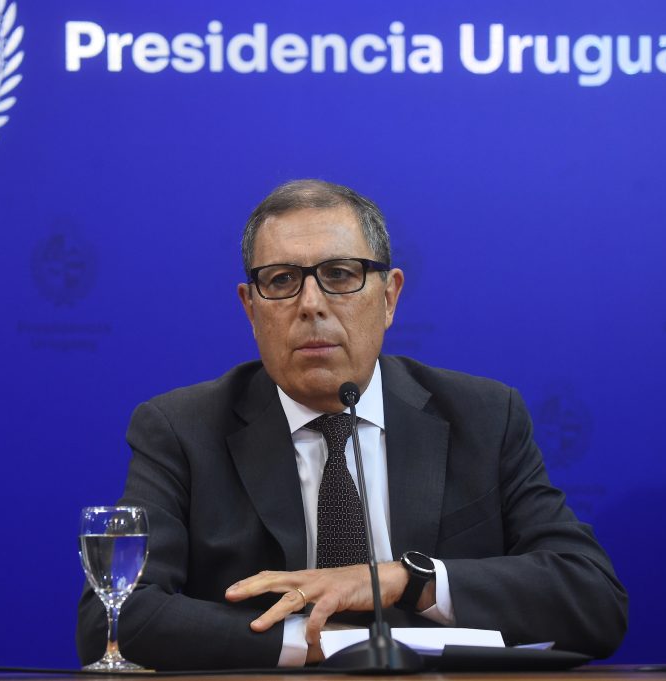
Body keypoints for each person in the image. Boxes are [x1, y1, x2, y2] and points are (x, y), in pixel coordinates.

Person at [76, 180, 627, 669]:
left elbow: (593, 598)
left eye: (340, 275)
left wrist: (403, 580)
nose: (311, 304)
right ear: (250, 308)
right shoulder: (180, 430)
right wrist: (321, 643)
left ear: (389, 297)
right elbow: (114, 618)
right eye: (282, 280)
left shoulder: (484, 416)